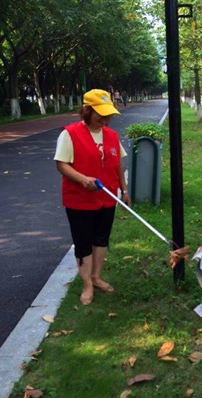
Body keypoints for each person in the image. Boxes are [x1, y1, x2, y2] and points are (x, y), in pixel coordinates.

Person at [54, 89, 130, 305]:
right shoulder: (70, 133)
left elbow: (117, 164)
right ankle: (87, 283)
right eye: (100, 114)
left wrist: (123, 191)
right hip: (80, 200)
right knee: (83, 243)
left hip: (106, 198)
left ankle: (96, 277)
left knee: (101, 238)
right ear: (87, 110)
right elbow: (61, 164)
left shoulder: (111, 135)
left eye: (108, 115)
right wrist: (82, 179)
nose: (105, 119)